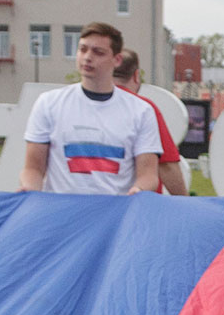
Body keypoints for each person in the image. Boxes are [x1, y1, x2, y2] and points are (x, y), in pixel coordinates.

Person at [21, 22, 161, 194]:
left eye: (98, 52)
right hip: (62, 213)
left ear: (117, 60)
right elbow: (33, 169)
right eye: (82, 49)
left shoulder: (141, 111)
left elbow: (149, 175)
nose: (87, 57)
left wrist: (138, 190)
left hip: (114, 213)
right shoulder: (48, 103)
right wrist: (29, 190)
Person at [114, 47, 188, 195]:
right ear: (136, 76)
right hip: (138, 204)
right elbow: (166, 164)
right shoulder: (143, 108)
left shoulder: (85, 105)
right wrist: (184, 202)